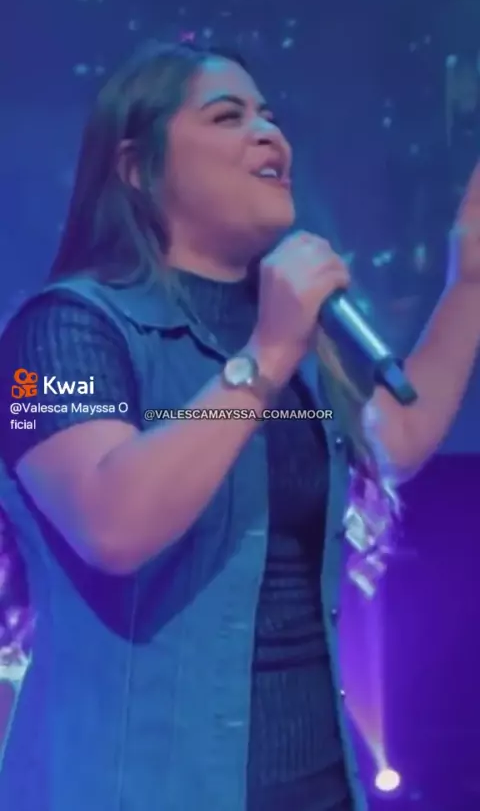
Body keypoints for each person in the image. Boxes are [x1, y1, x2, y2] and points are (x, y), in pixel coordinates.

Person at [0, 41, 479, 811]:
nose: (269, 135)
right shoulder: (59, 332)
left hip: (314, 783)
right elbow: (111, 523)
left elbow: (394, 438)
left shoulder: (290, 333)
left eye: (270, 116)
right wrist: (267, 354)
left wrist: (471, 278)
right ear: (136, 167)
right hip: (135, 789)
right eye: (228, 117)